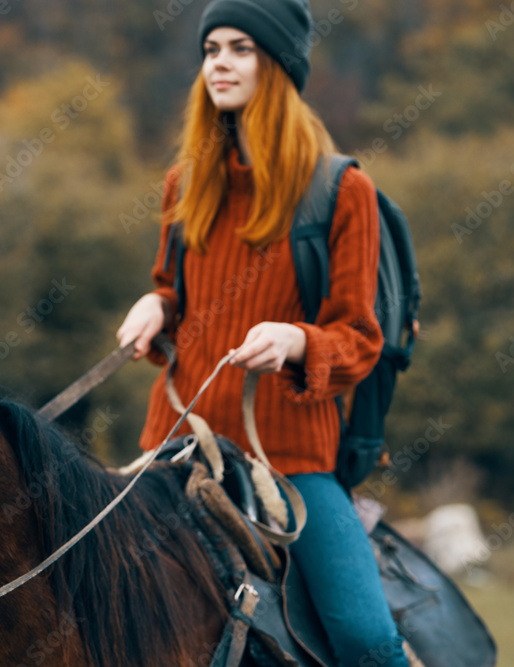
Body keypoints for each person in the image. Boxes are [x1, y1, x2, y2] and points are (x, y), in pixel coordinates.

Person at [115, 1, 411, 665]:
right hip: (175, 445)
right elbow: (175, 291)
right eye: (211, 47)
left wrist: (297, 340)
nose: (218, 61)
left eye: (240, 48)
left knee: (366, 641)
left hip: (292, 459)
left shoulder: (342, 190)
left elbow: (359, 336)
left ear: (278, 65)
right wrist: (155, 307)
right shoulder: (184, 184)